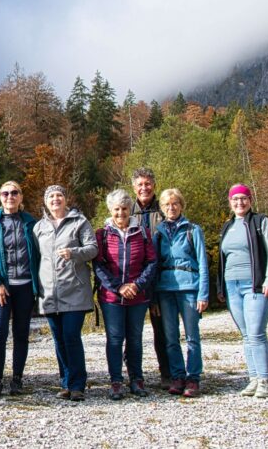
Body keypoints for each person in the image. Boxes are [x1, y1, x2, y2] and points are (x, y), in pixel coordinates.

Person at [33, 185, 97, 402]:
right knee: (59, 339)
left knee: (71, 336)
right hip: (49, 292)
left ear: (65, 198)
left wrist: (74, 252)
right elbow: (36, 257)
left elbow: (93, 248)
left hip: (74, 290)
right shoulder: (39, 227)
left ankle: (78, 384)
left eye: (59, 195)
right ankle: (66, 382)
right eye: (51, 196)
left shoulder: (79, 221)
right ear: (45, 201)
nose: (55, 199)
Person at [218, 183, 268, 398]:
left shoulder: (261, 222)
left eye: (243, 198)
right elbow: (223, 259)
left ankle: (264, 380)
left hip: (255, 284)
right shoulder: (227, 226)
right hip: (231, 286)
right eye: (235, 199)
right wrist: (221, 287)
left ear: (250, 200)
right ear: (230, 202)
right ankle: (253, 379)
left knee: (256, 333)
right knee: (246, 335)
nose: (239, 202)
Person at [94, 189, 157, 400]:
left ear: (130, 209)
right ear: (110, 210)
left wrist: (137, 285)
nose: (120, 213)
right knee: (114, 339)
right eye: (116, 209)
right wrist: (118, 287)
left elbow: (151, 262)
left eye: (124, 208)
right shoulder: (102, 234)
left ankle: (136, 379)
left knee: (135, 339)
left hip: (138, 296)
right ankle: (116, 381)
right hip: (111, 297)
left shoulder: (143, 232)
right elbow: (99, 265)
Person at [0, 181, 39, 398]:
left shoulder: (30, 223)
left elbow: (39, 254)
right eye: (5, 193)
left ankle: (17, 378)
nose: (10, 196)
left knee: (21, 334)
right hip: (0, 289)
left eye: (14, 193)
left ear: (21, 196)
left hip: (25, 286)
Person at [150, 188, 209, 398]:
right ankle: (177, 376)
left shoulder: (193, 230)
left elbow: (203, 263)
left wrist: (203, 294)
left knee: (192, 336)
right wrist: (153, 298)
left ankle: (193, 378)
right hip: (165, 290)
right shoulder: (158, 233)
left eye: (175, 203)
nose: (171, 208)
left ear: (181, 205)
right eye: (166, 204)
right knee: (170, 337)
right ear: (162, 208)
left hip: (189, 288)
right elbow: (154, 266)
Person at [130, 167, 170, 388]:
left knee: (163, 330)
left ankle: (167, 373)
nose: (144, 188)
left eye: (147, 184)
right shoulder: (127, 211)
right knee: (131, 332)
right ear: (133, 187)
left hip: (160, 280)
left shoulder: (164, 209)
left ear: (154, 185)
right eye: (140, 184)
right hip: (135, 282)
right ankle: (133, 375)